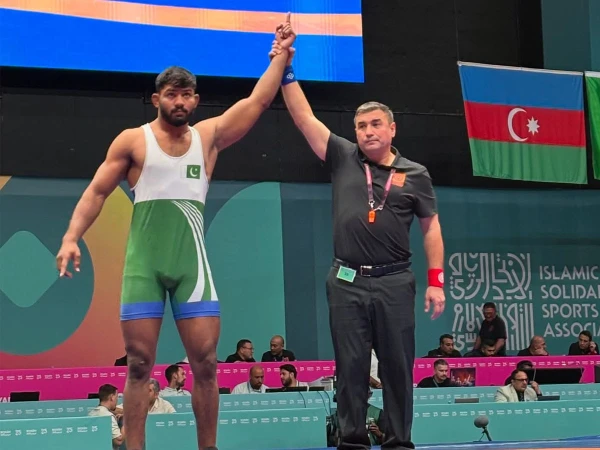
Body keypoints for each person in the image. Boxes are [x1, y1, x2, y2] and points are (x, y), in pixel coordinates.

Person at [55, 15, 296, 450]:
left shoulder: (208, 138)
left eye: (186, 94)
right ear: (156, 99)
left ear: (196, 100)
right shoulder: (133, 141)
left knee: (205, 364)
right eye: (171, 94)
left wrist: (280, 56)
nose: (179, 101)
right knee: (138, 365)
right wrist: (72, 236)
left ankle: (208, 447)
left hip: (192, 271)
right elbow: (96, 192)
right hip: (143, 267)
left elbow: (258, 101)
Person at [271, 22, 445, 450]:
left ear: (392, 129)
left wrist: (436, 281)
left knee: (397, 367)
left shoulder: (415, 174)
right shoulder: (343, 155)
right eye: (361, 125)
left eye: (375, 124)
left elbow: (431, 226)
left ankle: (398, 441)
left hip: (395, 281)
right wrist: (287, 68)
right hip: (346, 280)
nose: (367, 131)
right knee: (350, 367)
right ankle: (352, 442)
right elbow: (304, 118)